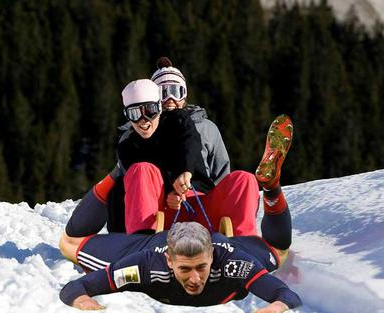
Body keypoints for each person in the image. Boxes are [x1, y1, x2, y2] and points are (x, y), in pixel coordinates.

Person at [58, 114, 297, 312]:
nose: (194, 280)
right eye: (185, 269)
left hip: (204, 213)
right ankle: (270, 190)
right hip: (153, 227)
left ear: (213, 258)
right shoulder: (146, 263)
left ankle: (267, 189)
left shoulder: (232, 261)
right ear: (169, 262)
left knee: (246, 185)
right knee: (276, 250)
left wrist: (274, 307)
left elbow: (284, 294)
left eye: (201, 268)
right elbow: (76, 285)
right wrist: (87, 304)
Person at [64, 57, 260, 239]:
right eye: (164, 93)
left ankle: (243, 246)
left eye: (176, 92)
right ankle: (143, 243)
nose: (143, 120)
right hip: (161, 210)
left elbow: (191, 142)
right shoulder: (128, 142)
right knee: (140, 171)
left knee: (245, 178)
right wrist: (170, 192)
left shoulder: (189, 122)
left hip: (201, 201)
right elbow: (134, 188)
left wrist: (186, 172)